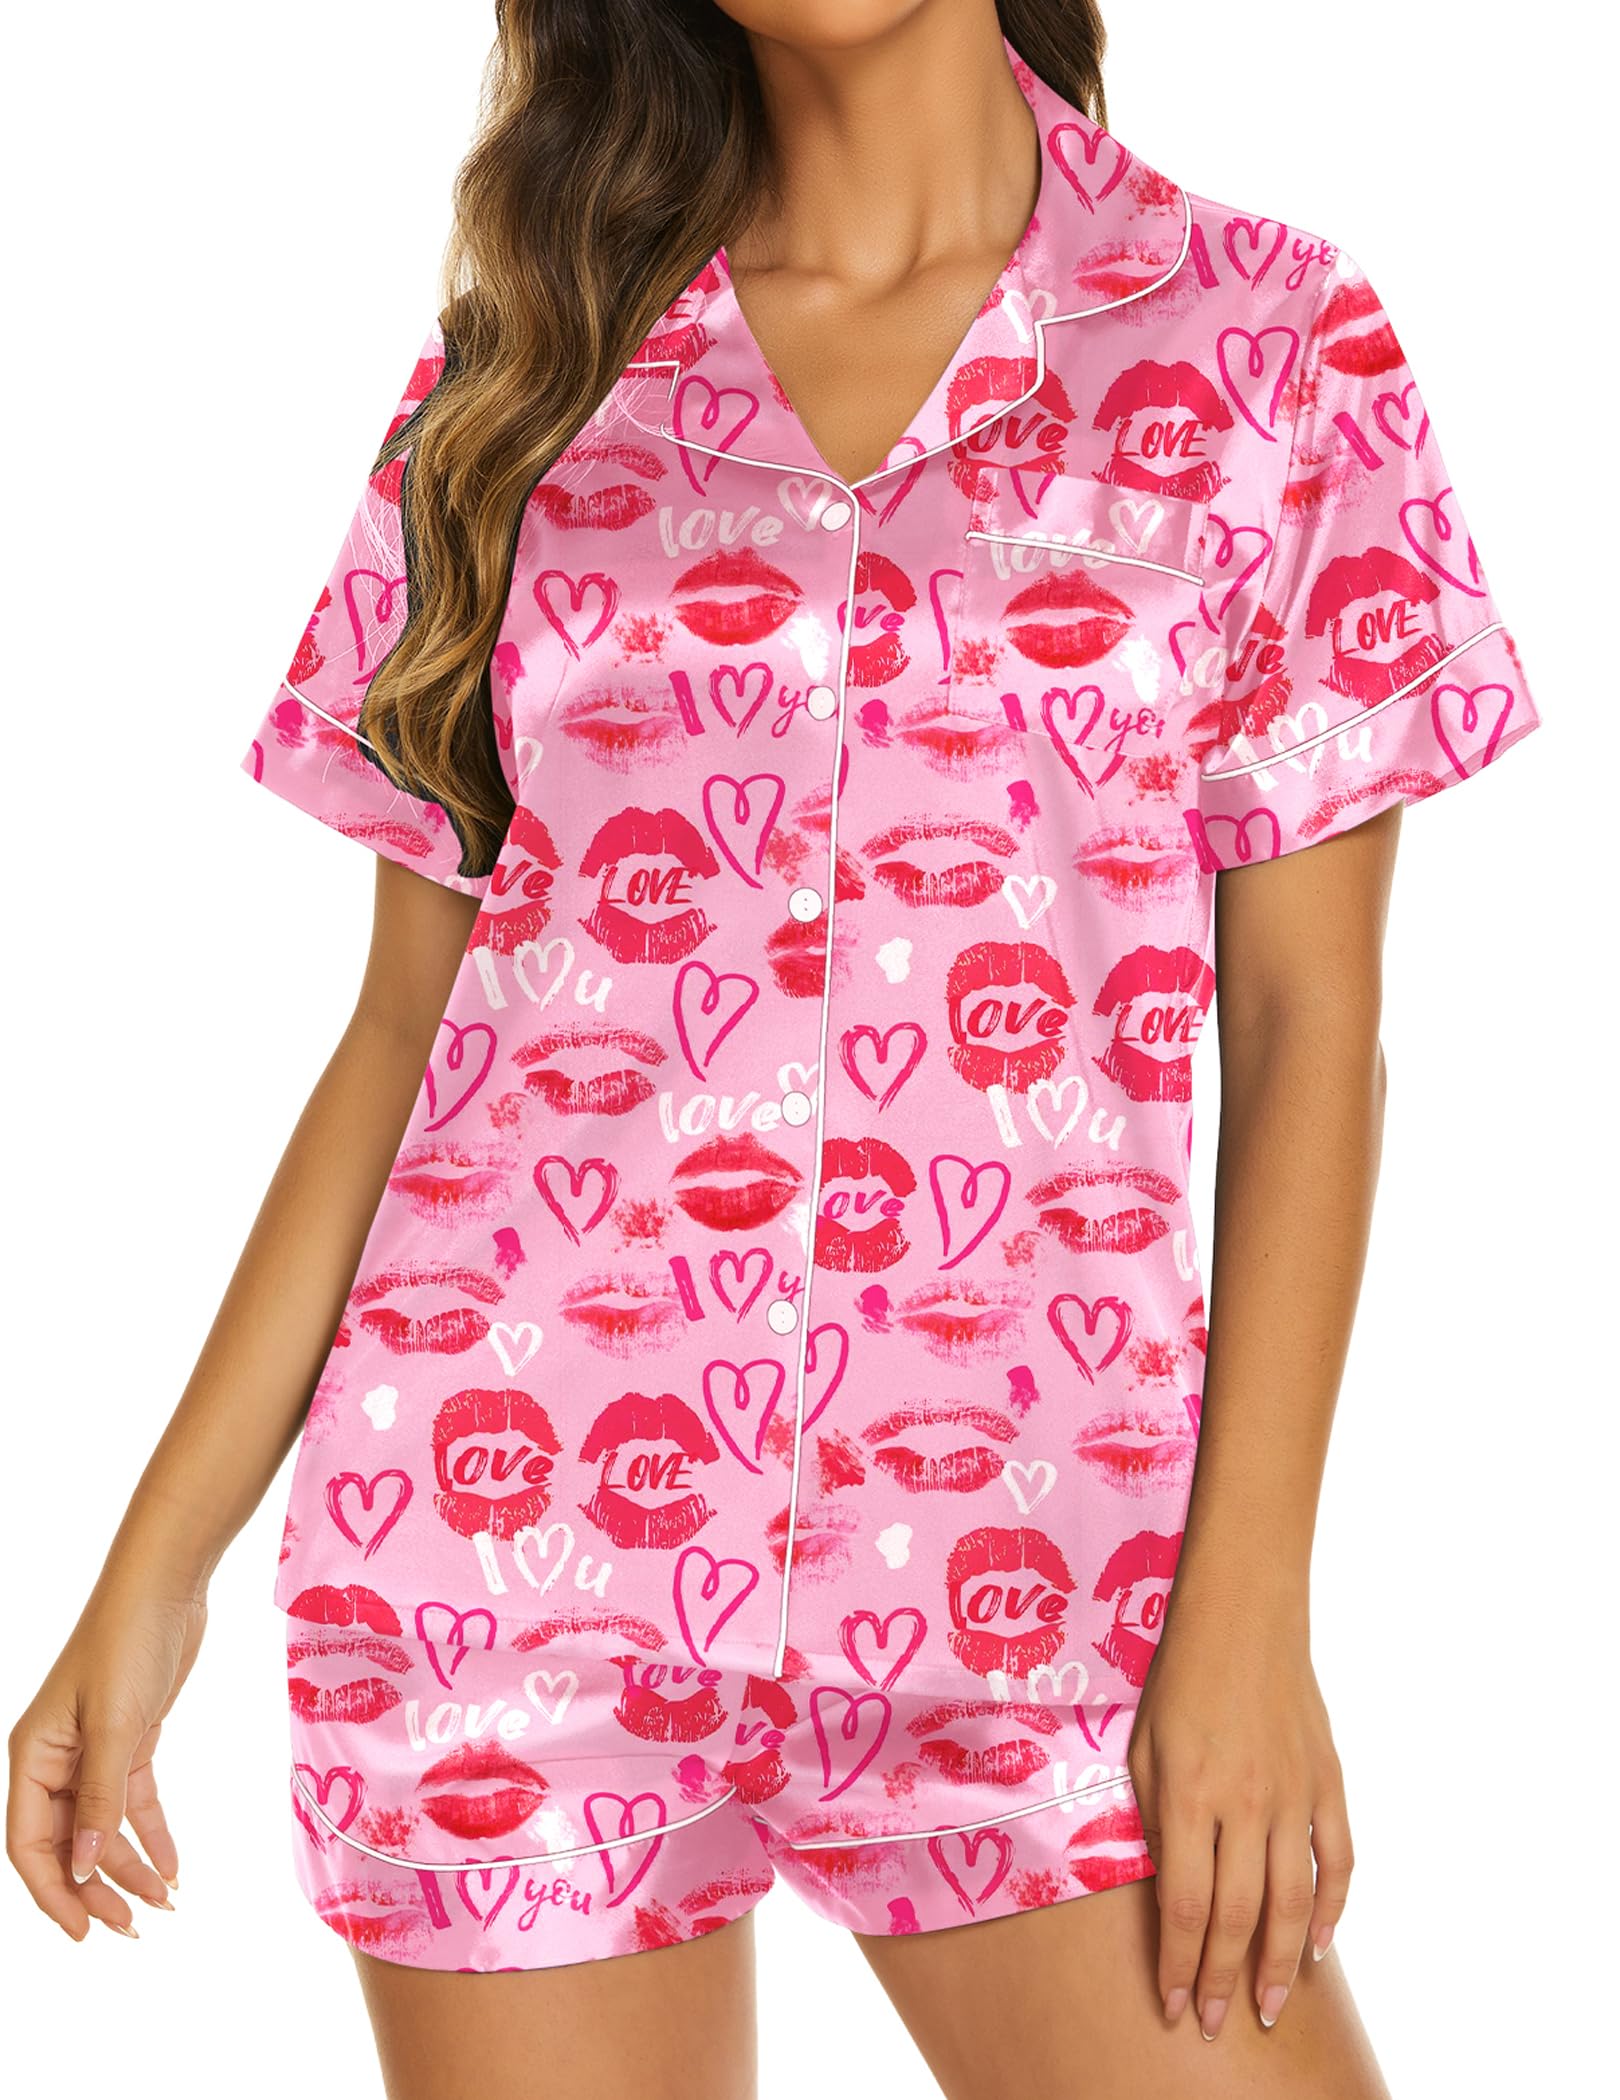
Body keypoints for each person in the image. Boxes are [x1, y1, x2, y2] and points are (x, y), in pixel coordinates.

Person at [6, 3, 1542, 2095]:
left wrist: (1251, 1614)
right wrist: (155, 1566)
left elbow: (1310, 1024)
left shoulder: (1265, 341)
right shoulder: (522, 379)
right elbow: (401, 1028)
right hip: (500, 1567)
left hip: (1046, 1578)